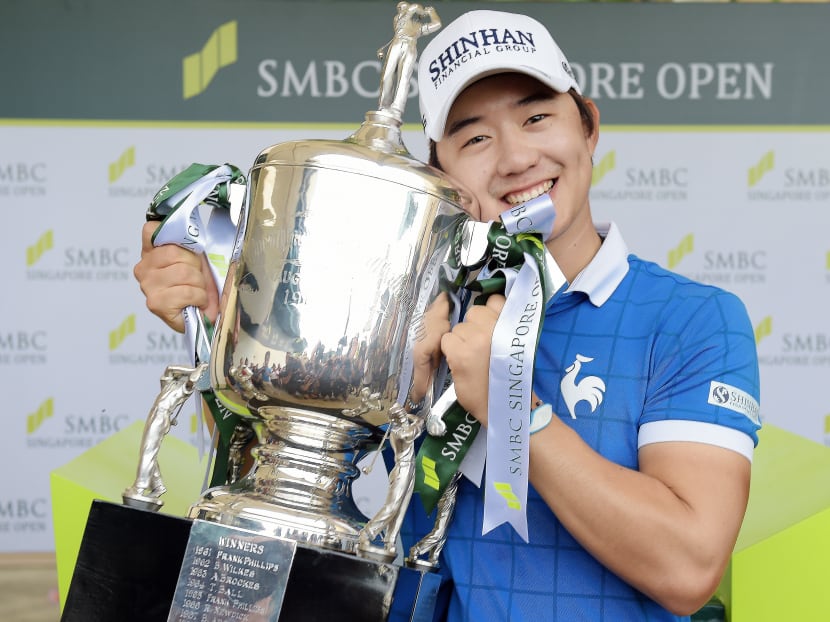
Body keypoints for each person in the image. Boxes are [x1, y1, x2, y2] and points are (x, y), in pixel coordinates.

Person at [134, 9, 761, 622]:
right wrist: (220, 329)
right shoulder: (413, 315)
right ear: (442, 176)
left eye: (538, 117)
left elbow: (688, 569)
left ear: (589, 127)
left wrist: (513, 408)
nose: (515, 159)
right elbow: (291, 491)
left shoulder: (693, 319)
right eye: (475, 138)